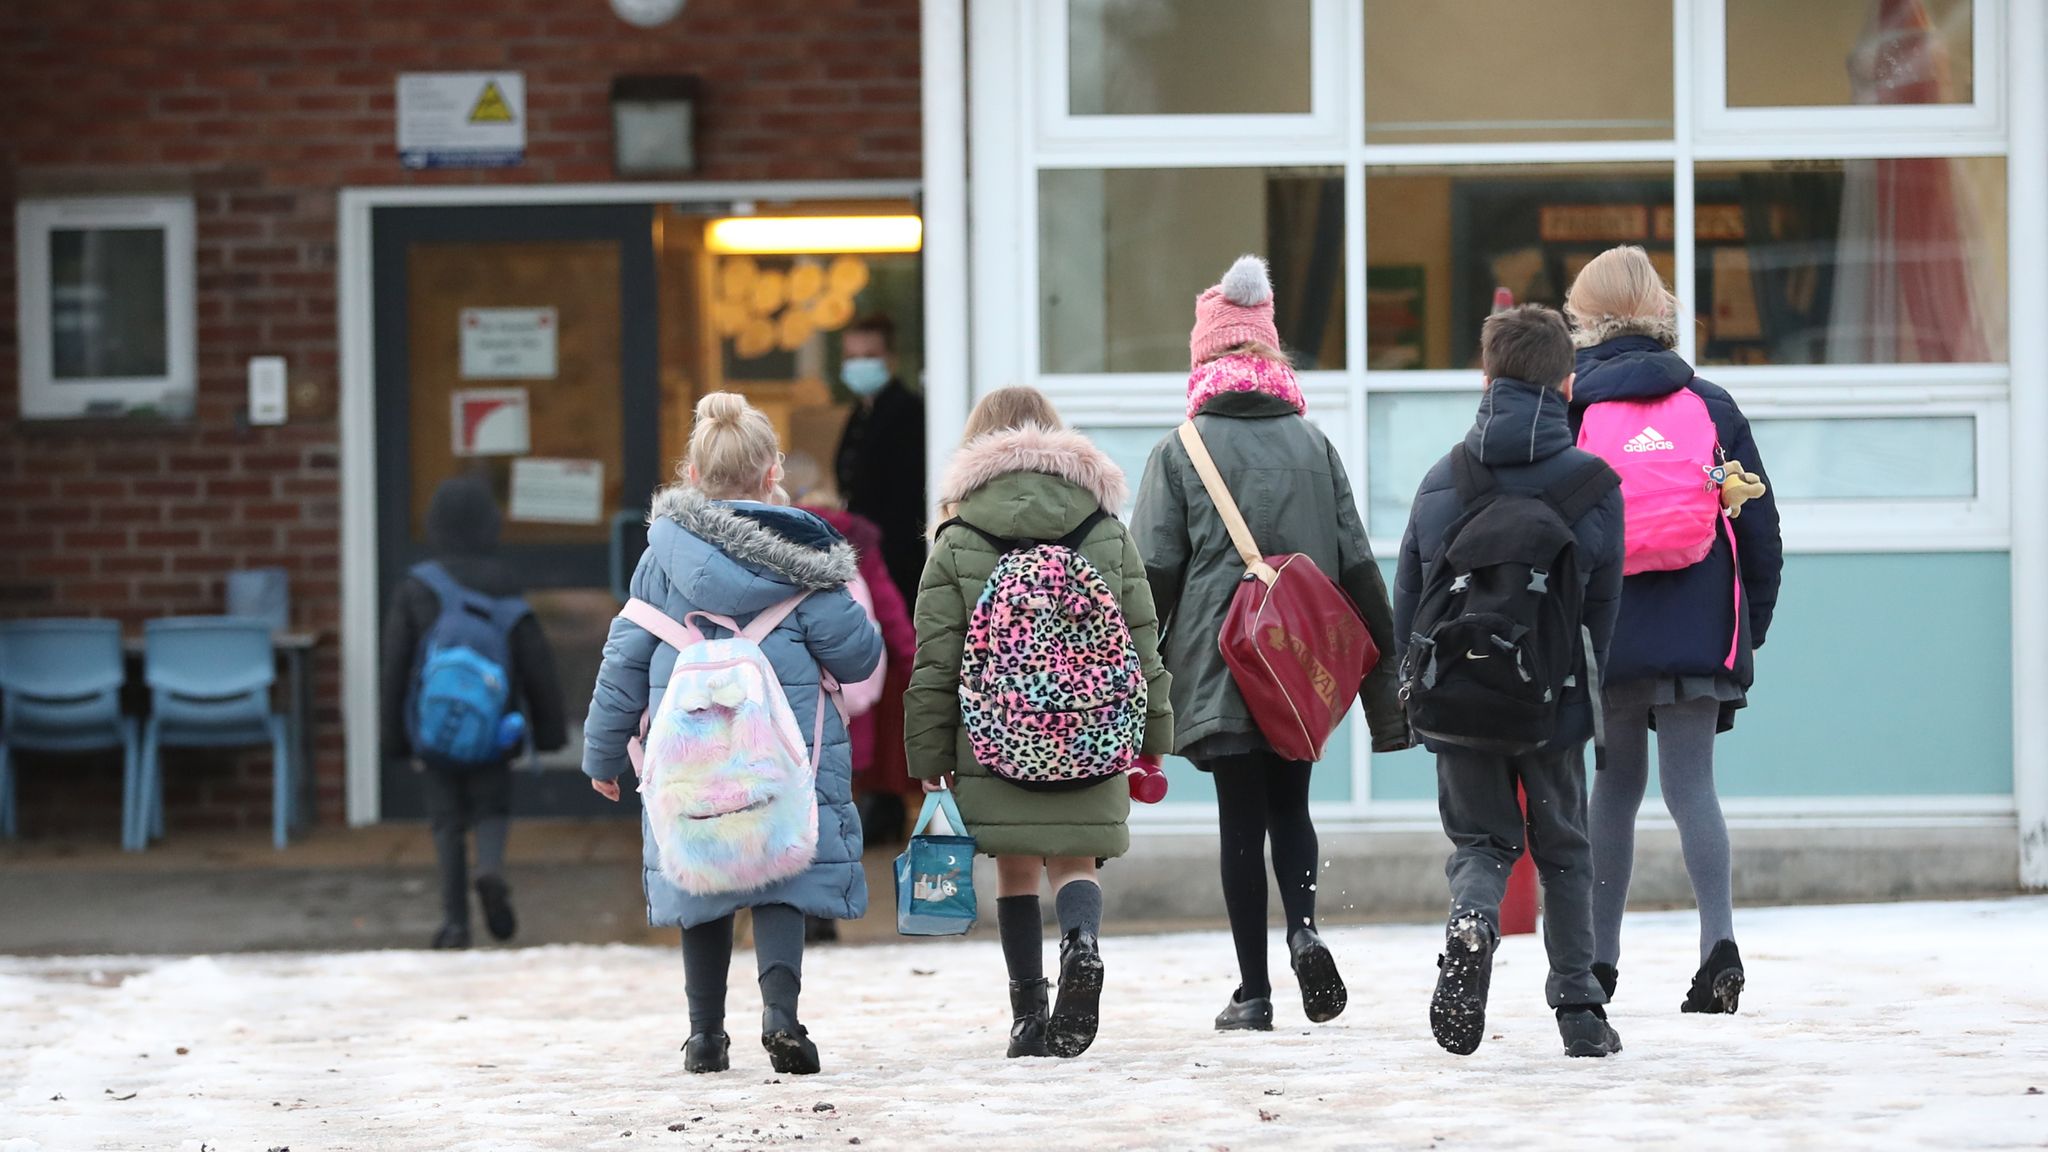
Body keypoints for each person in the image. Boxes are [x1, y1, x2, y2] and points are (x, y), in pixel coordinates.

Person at [1132, 255, 1408, 1034]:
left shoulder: (1179, 450)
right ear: (1270, 354)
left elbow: (1150, 575)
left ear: (1205, 356)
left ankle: (1253, 992)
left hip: (1224, 666)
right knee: (1293, 808)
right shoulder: (1315, 445)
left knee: (1239, 823)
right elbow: (1358, 567)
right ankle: (1305, 929)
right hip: (1299, 670)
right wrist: (1385, 698)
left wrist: (1136, 685)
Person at [582, 393, 882, 1076]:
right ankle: (781, 1016)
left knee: (703, 871)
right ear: (772, 472)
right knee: (780, 873)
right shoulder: (808, 562)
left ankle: (704, 1036)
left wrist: (603, 754)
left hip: (692, 763)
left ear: (691, 473)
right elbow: (860, 660)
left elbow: (624, 659)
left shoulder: (660, 563)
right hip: (786, 757)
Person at [905, 386, 1174, 1059]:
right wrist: (1153, 738)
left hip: (995, 738)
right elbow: (1143, 645)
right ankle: (1082, 942)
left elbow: (935, 661)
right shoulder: (1105, 529)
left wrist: (928, 753)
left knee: (1017, 869)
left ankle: (1029, 1016)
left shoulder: (959, 539)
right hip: (1094, 731)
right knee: (1076, 858)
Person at [1393, 304, 1627, 1058]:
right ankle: (1580, 1010)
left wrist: (1415, 695)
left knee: (1481, 843)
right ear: (1567, 381)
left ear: (1486, 375)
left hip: (1458, 698)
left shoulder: (1443, 479)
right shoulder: (1594, 485)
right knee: (1564, 847)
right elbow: (1602, 612)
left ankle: (1472, 921)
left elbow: (1409, 597)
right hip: (1549, 704)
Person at [1564, 245, 1784, 1015]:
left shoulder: (1573, 405)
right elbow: (1760, 530)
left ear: (1583, 318)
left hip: (1609, 627)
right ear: (1660, 309)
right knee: (1693, 789)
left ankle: (1597, 964)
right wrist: (1748, 619)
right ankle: (1718, 946)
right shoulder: (1712, 404)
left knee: (1613, 790)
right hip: (1697, 624)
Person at [379, 474, 567, 950]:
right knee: (490, 808)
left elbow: (396, 665)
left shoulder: (417, 587)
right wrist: (547, 731)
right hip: (492, 728)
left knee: (445, 821)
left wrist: (394, 739)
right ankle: (488, 869)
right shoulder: (502, 583)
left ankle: (455, 923)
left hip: (433, 733)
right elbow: (533, 659)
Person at [833, 314, 927, 608]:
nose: (860, 365)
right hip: (868, 551)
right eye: (852, 357)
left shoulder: (908, 413)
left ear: (891, 360)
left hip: (898, 556)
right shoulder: (860, 413)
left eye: (870, 356)